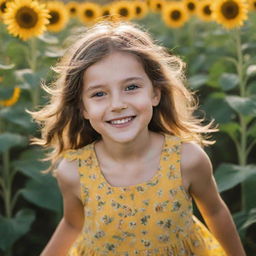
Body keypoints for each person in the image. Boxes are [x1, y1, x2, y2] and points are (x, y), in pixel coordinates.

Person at [31, 21, 246, 256]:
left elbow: (215, 212)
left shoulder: (187, 159)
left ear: (155, 93)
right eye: (99, 94)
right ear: (83, 107)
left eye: (131, 87)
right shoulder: (74, 171)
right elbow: (73, 223)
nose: (118, 105)